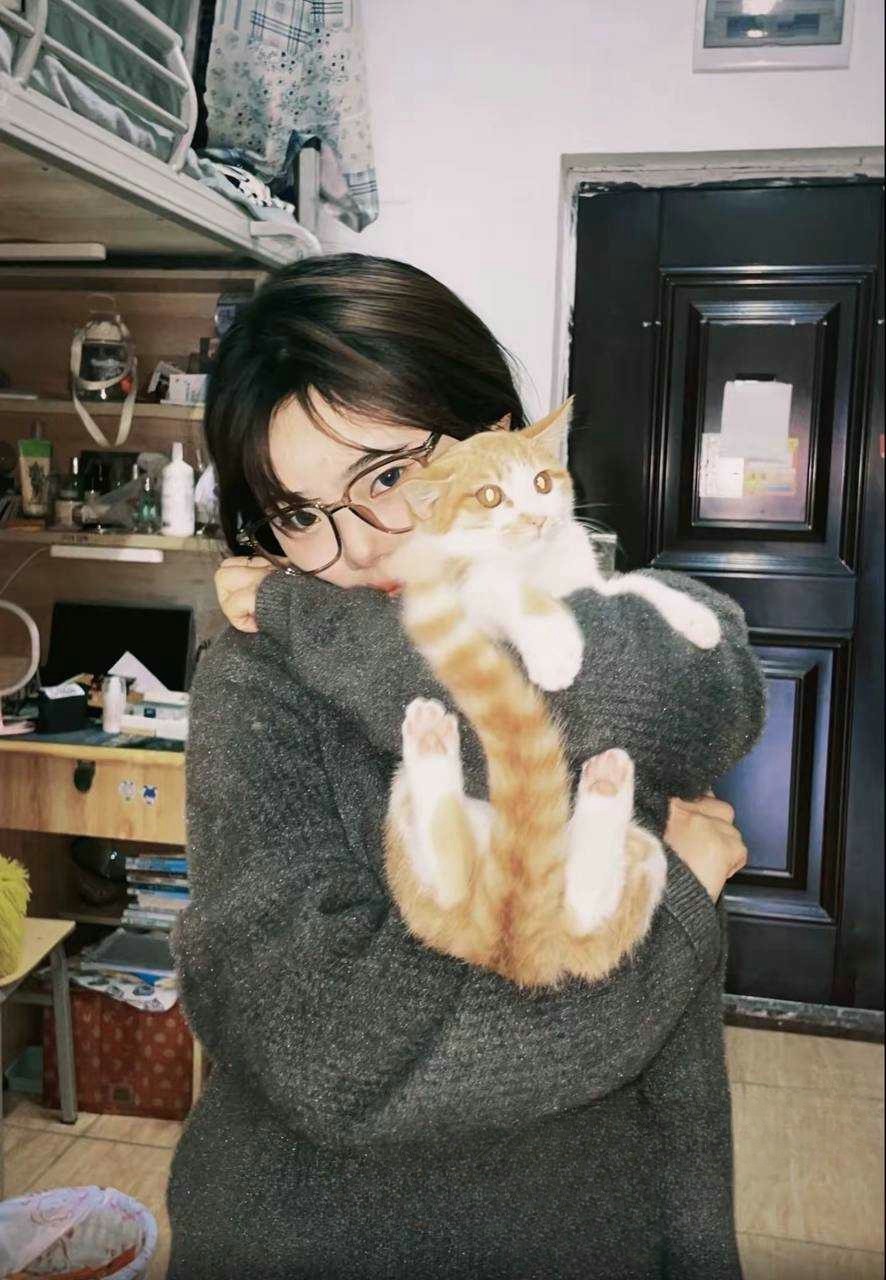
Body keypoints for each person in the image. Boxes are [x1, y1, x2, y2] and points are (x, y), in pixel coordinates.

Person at [167, 253, 763, 1280]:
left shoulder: (567, 604)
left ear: (497, 433)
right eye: (297, 515)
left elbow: (714, 694)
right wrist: (667, 912)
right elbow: (339, 1056)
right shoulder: (256, 680)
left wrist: (325, 623)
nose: (354, 551)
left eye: (386, 477)